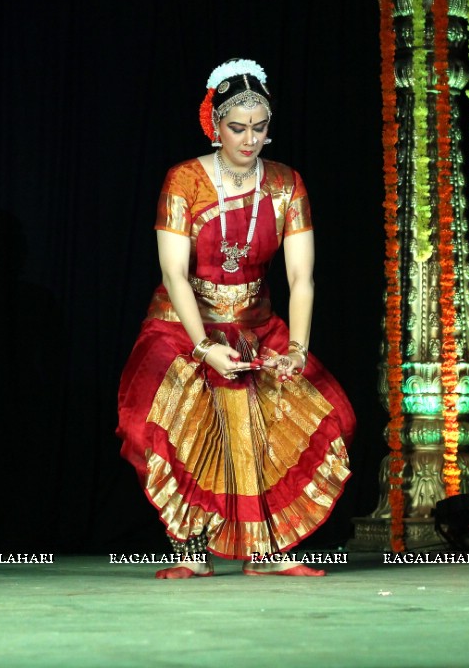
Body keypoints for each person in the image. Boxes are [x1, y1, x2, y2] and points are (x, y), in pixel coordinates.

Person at [116, 58, 356, 578]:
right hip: (182, 324)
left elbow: (301, 279)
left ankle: (266, 551)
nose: (249, 139)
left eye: (260, 127)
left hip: (256, 322)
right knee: (153, 425)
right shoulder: (184, 181)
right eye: (237, 127)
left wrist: (296, 350)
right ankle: (190, 550)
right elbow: (175, 275)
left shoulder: (288, 185)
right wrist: (204, 347)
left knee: (324, 416)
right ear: (214, 124)